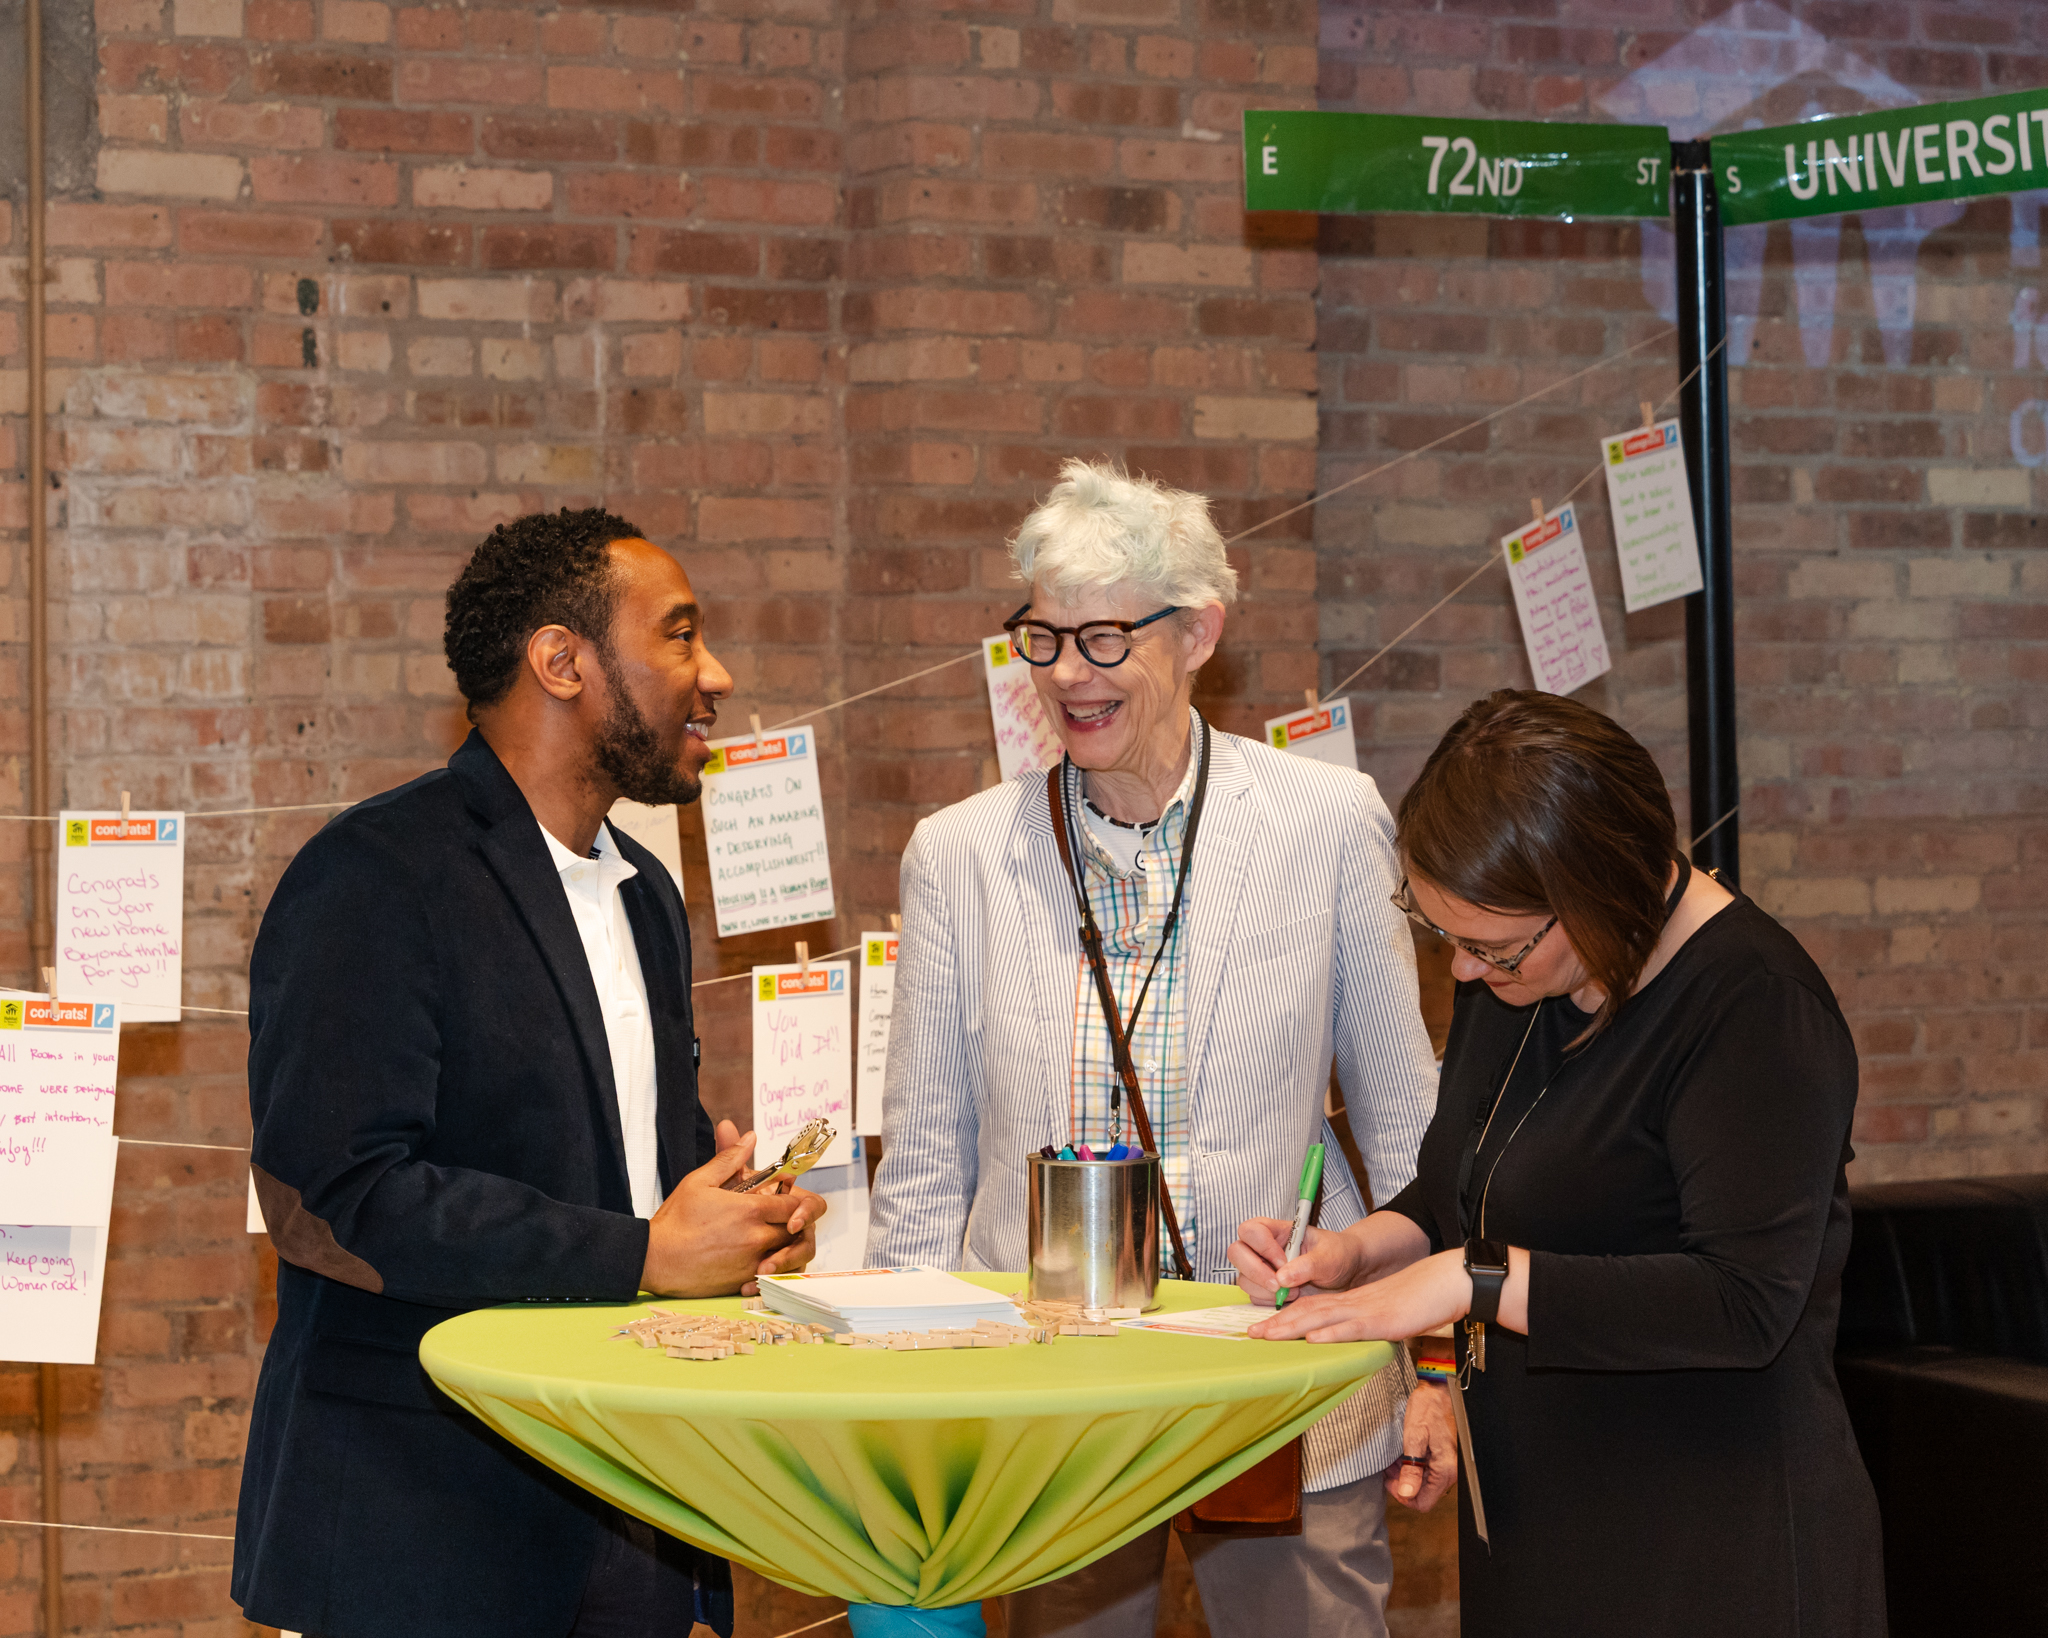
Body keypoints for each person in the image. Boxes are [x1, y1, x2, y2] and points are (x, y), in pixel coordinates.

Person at [867, 460, 1439, 1638]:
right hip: (1049, 1409)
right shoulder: (959, 854)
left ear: (1197, 635)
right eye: (1042, 637)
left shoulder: (1327, 824)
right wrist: (896, 1426)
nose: (1068, 674)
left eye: (1105, 638)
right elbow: (924, 1164)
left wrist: (1433, 1369)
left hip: (1283, 1387)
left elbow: (1409, 1135)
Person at [235, 509, 826, 1638]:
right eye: (679, 637)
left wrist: (735, 1217)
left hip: (628, 1502)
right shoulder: (374, 875)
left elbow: (609, 1164)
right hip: (425, 1526)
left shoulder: (646, 892)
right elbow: (332, 1197)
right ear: (560, 661)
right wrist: (648, 1249)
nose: (717, 676)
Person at [1235, 690, 1887, 1638]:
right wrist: (1364, 1252)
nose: (1463, 973)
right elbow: (1471, 1182)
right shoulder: (1523, 970)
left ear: (1601, 887)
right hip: (1544, 1518)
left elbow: (1745, 1302)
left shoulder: (1755, 1008)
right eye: (1447, 938)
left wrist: (1471, 1281)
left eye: (1491, 947)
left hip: (1709, 1541)